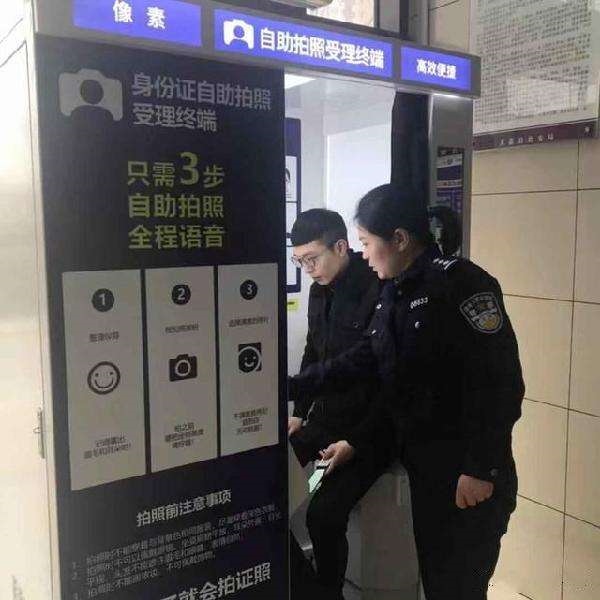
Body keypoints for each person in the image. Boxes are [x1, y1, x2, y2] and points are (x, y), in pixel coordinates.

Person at [289, 185, 524, 600]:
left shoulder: (460, 283)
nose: (364, 255)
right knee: (438, 578)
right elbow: (367, 360)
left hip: (466, 469)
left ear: (398, 239)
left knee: (460, 584)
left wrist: (481, 469)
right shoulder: (397, 292)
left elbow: (500, 382)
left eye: (366, 243)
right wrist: (290, 388)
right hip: (426, 464)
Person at [288, 209, 393, 600]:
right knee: (266, 491)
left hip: (367, 434)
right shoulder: (320, 289)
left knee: (323, 515)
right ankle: (305, 587)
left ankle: (327, 594)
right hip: (324, 424)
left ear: (342, 247)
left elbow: (388, 381)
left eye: (312, 259)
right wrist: (299, 413)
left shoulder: (378, 288)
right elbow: (313, 353)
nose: (308, 270)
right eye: (299, 262)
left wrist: (355, 442)